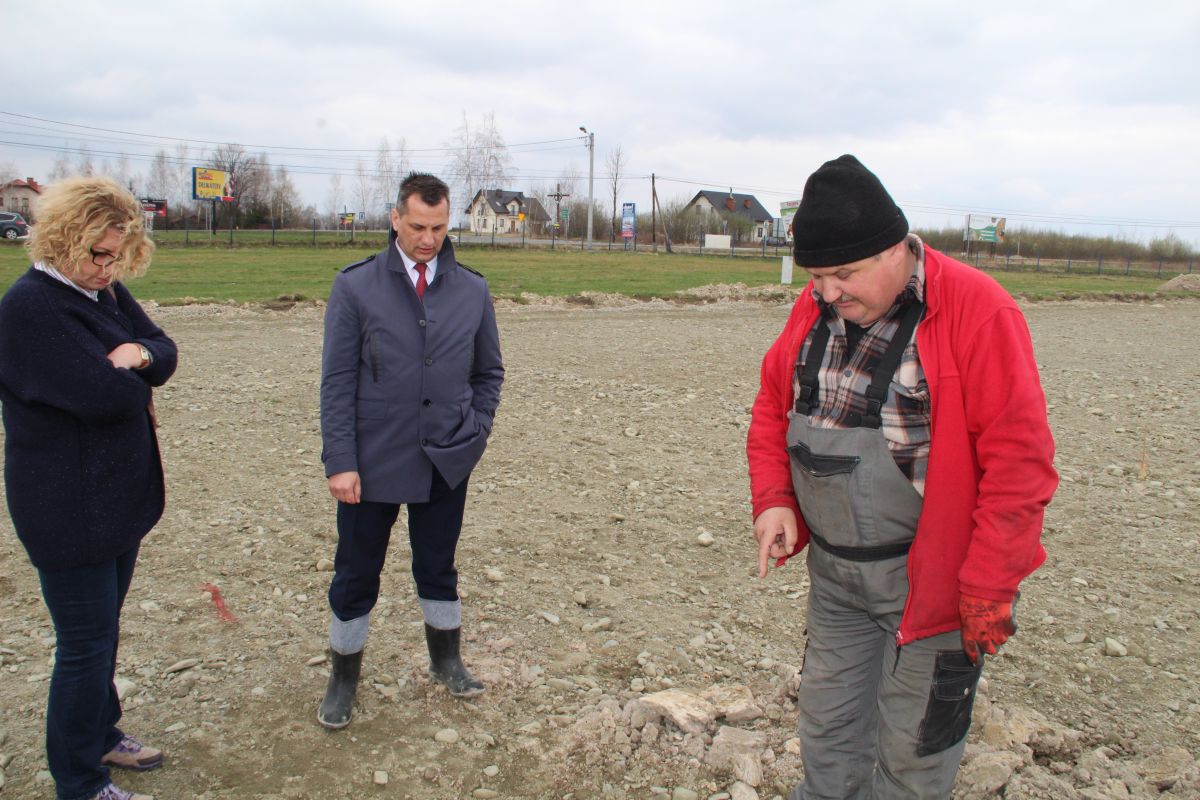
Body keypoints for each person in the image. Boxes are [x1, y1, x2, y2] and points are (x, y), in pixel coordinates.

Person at [747, 155, 1057, 799]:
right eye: (816, 277)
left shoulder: (978, 311)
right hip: (836, 580)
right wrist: (774, 499)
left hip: (932, 589)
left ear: (897, 249)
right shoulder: (814, 309)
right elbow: (773, 406)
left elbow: (1020, 465)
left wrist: (989, 585)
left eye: (844, 274)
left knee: (914, 752)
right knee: (827, 730)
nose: (827, 293)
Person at [0, 176, 178, 800]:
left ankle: (100, 731)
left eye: (118, 256)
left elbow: (164, 353)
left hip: (115, 500)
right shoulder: (31, 308)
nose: (108, 268)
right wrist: (134, 367)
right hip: (66, 507)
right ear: (63, 238)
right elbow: (105, 397)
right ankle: (79, 782)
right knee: (83, 647)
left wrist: (136, 356)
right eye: (98, 254)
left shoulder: (102, 293)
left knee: (104, 632)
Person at [317, 172, 504, 728]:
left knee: (438, 566)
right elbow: (336, 382)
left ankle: (447, 662)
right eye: (418, 227)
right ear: (395, 218)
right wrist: (341, 461)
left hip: (447, 458)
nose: (428, 239)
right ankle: (342, 678)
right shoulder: (355, 287)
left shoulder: (472, 290)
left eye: (439, 228)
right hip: (371, 462)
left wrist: (476, 430)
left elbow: (488, 371)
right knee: (355, 573)